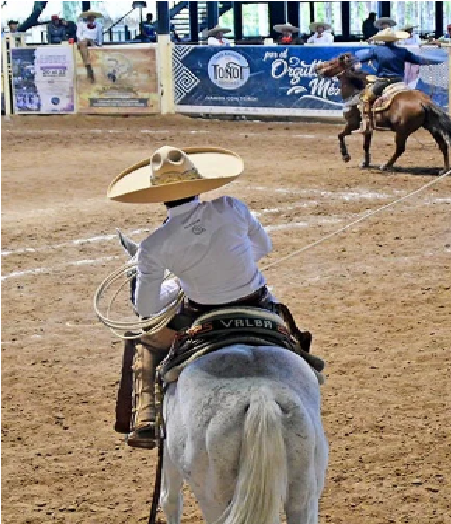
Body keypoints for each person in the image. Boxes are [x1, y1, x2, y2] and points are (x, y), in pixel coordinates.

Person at [107, 146, 315, 448]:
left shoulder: (154, 246)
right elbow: (263, 247)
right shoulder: (231, 207)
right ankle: (305, 362)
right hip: (258, 303)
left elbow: (147, 308)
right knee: (288, 328)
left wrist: (181, 282)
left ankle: (145, 417)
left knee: (144, 340)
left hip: (201, 314)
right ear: (196, 181)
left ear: (156, 193)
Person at [354, 29, 445, 128]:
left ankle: (367, 123)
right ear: (395, 40)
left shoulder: (376, 50)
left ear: (383, 39)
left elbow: (361, 58)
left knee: (366, 98)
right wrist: (435, 61)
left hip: (382, 82)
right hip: (399, 82)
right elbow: (418, 60)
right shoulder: (402, 51)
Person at [76, 11, 104, 83]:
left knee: (87, 43)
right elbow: (78, 34)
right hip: (84, 40)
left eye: (92, 17)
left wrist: (99, 44)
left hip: (93, 41)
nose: (91, 18)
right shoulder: (82, 24)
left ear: (94, 18)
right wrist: (81, 41)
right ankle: (88, 66)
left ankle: (88, 67)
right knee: (83, 44)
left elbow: (99, 35)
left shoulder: (99, 25)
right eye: (89, 17)